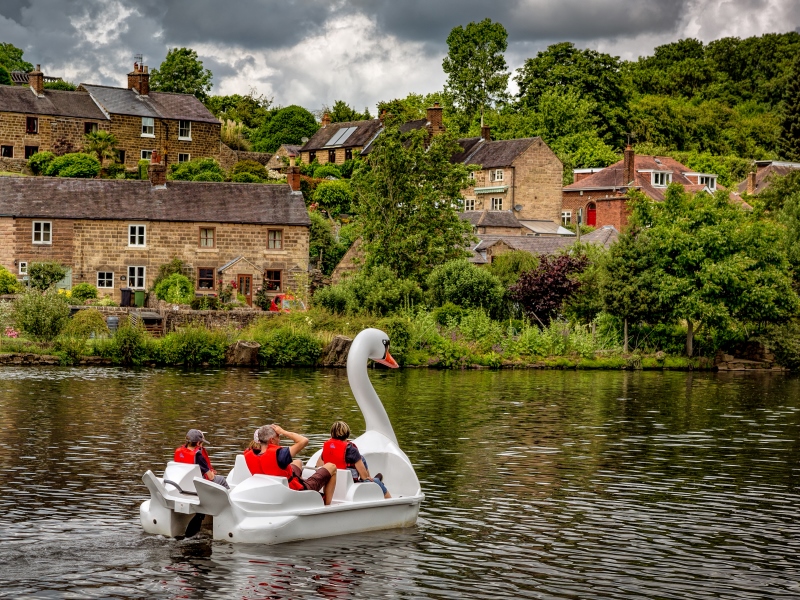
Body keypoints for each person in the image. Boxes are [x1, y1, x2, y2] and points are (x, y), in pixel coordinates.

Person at [245, 424, 338, 506]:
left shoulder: (249, 455)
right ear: (272, 440)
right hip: (295, 492)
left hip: (273, 492)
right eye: (278, 436)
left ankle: (301, 481)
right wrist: (283, 431)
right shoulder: (280, 455)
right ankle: (326, 504)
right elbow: (304, 440)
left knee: (297, 462)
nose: (279, 439)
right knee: (331, 466)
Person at [317, 421, 391, 499]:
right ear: (347, 434)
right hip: (350, 485)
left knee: (362, 458)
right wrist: (366, 477)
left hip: (331, 483)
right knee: (378, 482)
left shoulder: (328, 449)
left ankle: (372, 478)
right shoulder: (352, 450)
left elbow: (318, 465)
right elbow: (363, 476)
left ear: (332, 434)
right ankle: (389, 500)